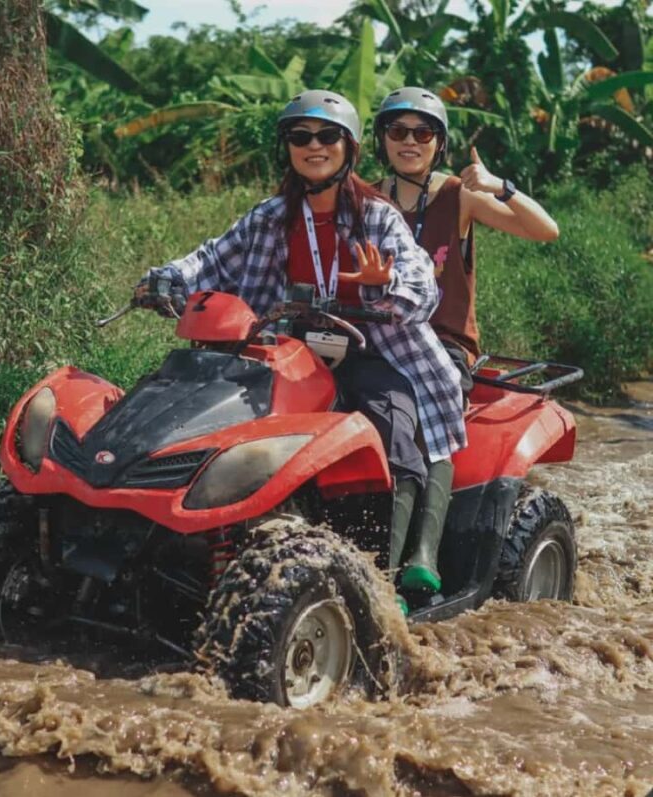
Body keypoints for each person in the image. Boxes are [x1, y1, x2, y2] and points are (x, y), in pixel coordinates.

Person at [138, 90, 466, 602]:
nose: (315, 146)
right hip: (289, 353)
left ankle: (390, 579)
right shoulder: (269, 217)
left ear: (350, 147)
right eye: (300, 137)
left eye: (328, 136)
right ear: (287, 148)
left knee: (393, 428)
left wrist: (388, 283)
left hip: (372, 350)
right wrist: (162, 280)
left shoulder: (377, 217)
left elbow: (423, 284)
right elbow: (209, 260)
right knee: (217, 424)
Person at [371, 86, 560, 593]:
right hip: (378, 340)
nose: (409, 141)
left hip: (444, 345)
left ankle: (422, 556)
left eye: (422, 132)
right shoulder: (367, 199)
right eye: (397, 131)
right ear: (381, 139)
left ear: (439, 142)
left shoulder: (458, 196)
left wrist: (501, 186)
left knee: (422, 415)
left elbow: (547, 231)